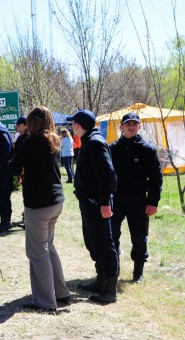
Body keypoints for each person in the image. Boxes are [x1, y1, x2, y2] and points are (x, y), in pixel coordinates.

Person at [9, 107, 72, 312]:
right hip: (56, 201)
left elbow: (13, 167)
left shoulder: (32, 142)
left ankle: (45, 302)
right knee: (48, 247)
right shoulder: (55, 139)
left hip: (39, 204)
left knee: (37, 252)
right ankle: (61, 293)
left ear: (33, 122)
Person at [68, 109, 119, 304]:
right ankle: (101, 281)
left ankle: (110, 291)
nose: (71, 127)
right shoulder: (90, 140)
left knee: (104, 244)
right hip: (89, 201)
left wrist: (105, 202)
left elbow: (108, 176)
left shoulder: (95, 143)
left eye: (72, 124)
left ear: (78, 125)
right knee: (93, 242)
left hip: (97, 202)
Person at [109, 112, 163, 283]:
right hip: (116, 199)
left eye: (134, 124)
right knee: (111, 235)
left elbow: (156, 178)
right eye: (127, 124)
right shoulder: (112, 148)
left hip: (138, 200)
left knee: (139, 237)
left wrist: (153, 202)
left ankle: (138, 272)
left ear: (139, 126)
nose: (131, 127)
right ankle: (112, 269)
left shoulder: (147, 149)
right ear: (121, 127)